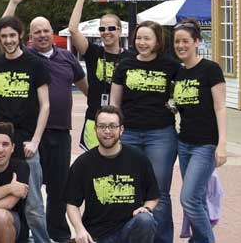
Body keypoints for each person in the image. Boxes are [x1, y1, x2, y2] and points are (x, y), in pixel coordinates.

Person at [4, 0, 87, 243]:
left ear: (53, 33)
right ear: (29, 37)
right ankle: (28, 235)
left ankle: (58, 235)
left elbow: (87, 89)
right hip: (31, 134)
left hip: (61, 133)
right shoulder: (26, 57)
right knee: (30, 189)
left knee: (59, 188)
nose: (41, 35)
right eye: (36, 32)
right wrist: (14, 2)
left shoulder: (67, 58)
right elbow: (4, 29)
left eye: (45, 31)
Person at [0, 15, 50, 243]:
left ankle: (41, 240)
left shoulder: (35, 64)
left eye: (12, 35)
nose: (8, 40)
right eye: (4, 36)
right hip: (2, 144)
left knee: (34, 204)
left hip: (27, 143)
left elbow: (45, 105)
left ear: (20, 36)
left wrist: (36, 141)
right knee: (4, 200)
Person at [110, 21, 179, 243]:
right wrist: (115, 129)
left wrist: (174, 104)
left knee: (159, 193)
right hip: (129, 133)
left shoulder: (171, 65)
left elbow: (181, 96)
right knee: (128, 189)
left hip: (161, 134)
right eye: (139, 38)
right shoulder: (125, 64)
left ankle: (162, 239)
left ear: (158, 41)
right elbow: (114, 102)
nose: (142, 43)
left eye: (147, 38)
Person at [64, 106, 159, 243]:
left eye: (112, 126)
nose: (107, 131)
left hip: (129, 229)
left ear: (121, 129)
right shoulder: (83, 163)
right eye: (102, 126)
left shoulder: (138, 159)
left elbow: (153, 195)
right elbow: (72, 204)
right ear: (95, 129)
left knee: (145, 220)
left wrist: (146, 208)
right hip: (97, 234)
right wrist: (80, 230)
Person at [172, 19, 227, 243]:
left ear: (197, 42)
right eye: (177, 42)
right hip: (184, 143)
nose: (181, 45)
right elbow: (179, 105)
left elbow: (220, 107)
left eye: (185, 41)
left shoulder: (210, 69)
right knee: (198, 198)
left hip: (205, 145)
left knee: (189, 199)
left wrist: (222, 144)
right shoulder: (179, 73)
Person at [68, 0, 130, 150]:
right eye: (102, 28)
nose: (106, 32)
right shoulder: (93, 52)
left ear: (119, 31)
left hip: (120, 122)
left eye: (111, 28)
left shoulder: (129, 58)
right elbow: (73, 29)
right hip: (94, 120)